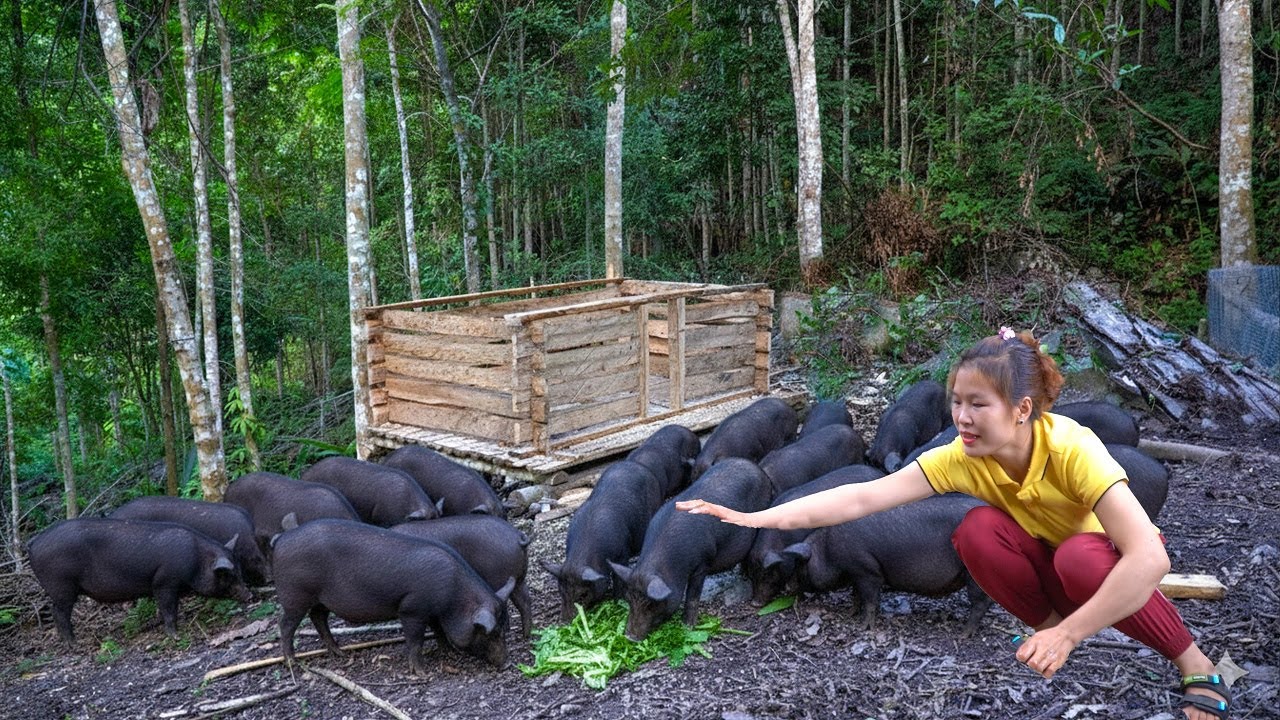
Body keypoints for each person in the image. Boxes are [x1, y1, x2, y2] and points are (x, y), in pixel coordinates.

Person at [677, 328, 1230, 720]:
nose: (962, 417)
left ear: (1022, 409)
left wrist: (1072, 633)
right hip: (1046, 558)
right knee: (974, 532)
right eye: (956, 402)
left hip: (1101, 557)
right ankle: (1052, 619)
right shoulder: (961, 457)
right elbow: (861, 499)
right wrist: (753, 516)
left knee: (1079, 558)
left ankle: (1197, 663)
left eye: (979, 404)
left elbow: (1151, 558)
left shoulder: (1072, 448)